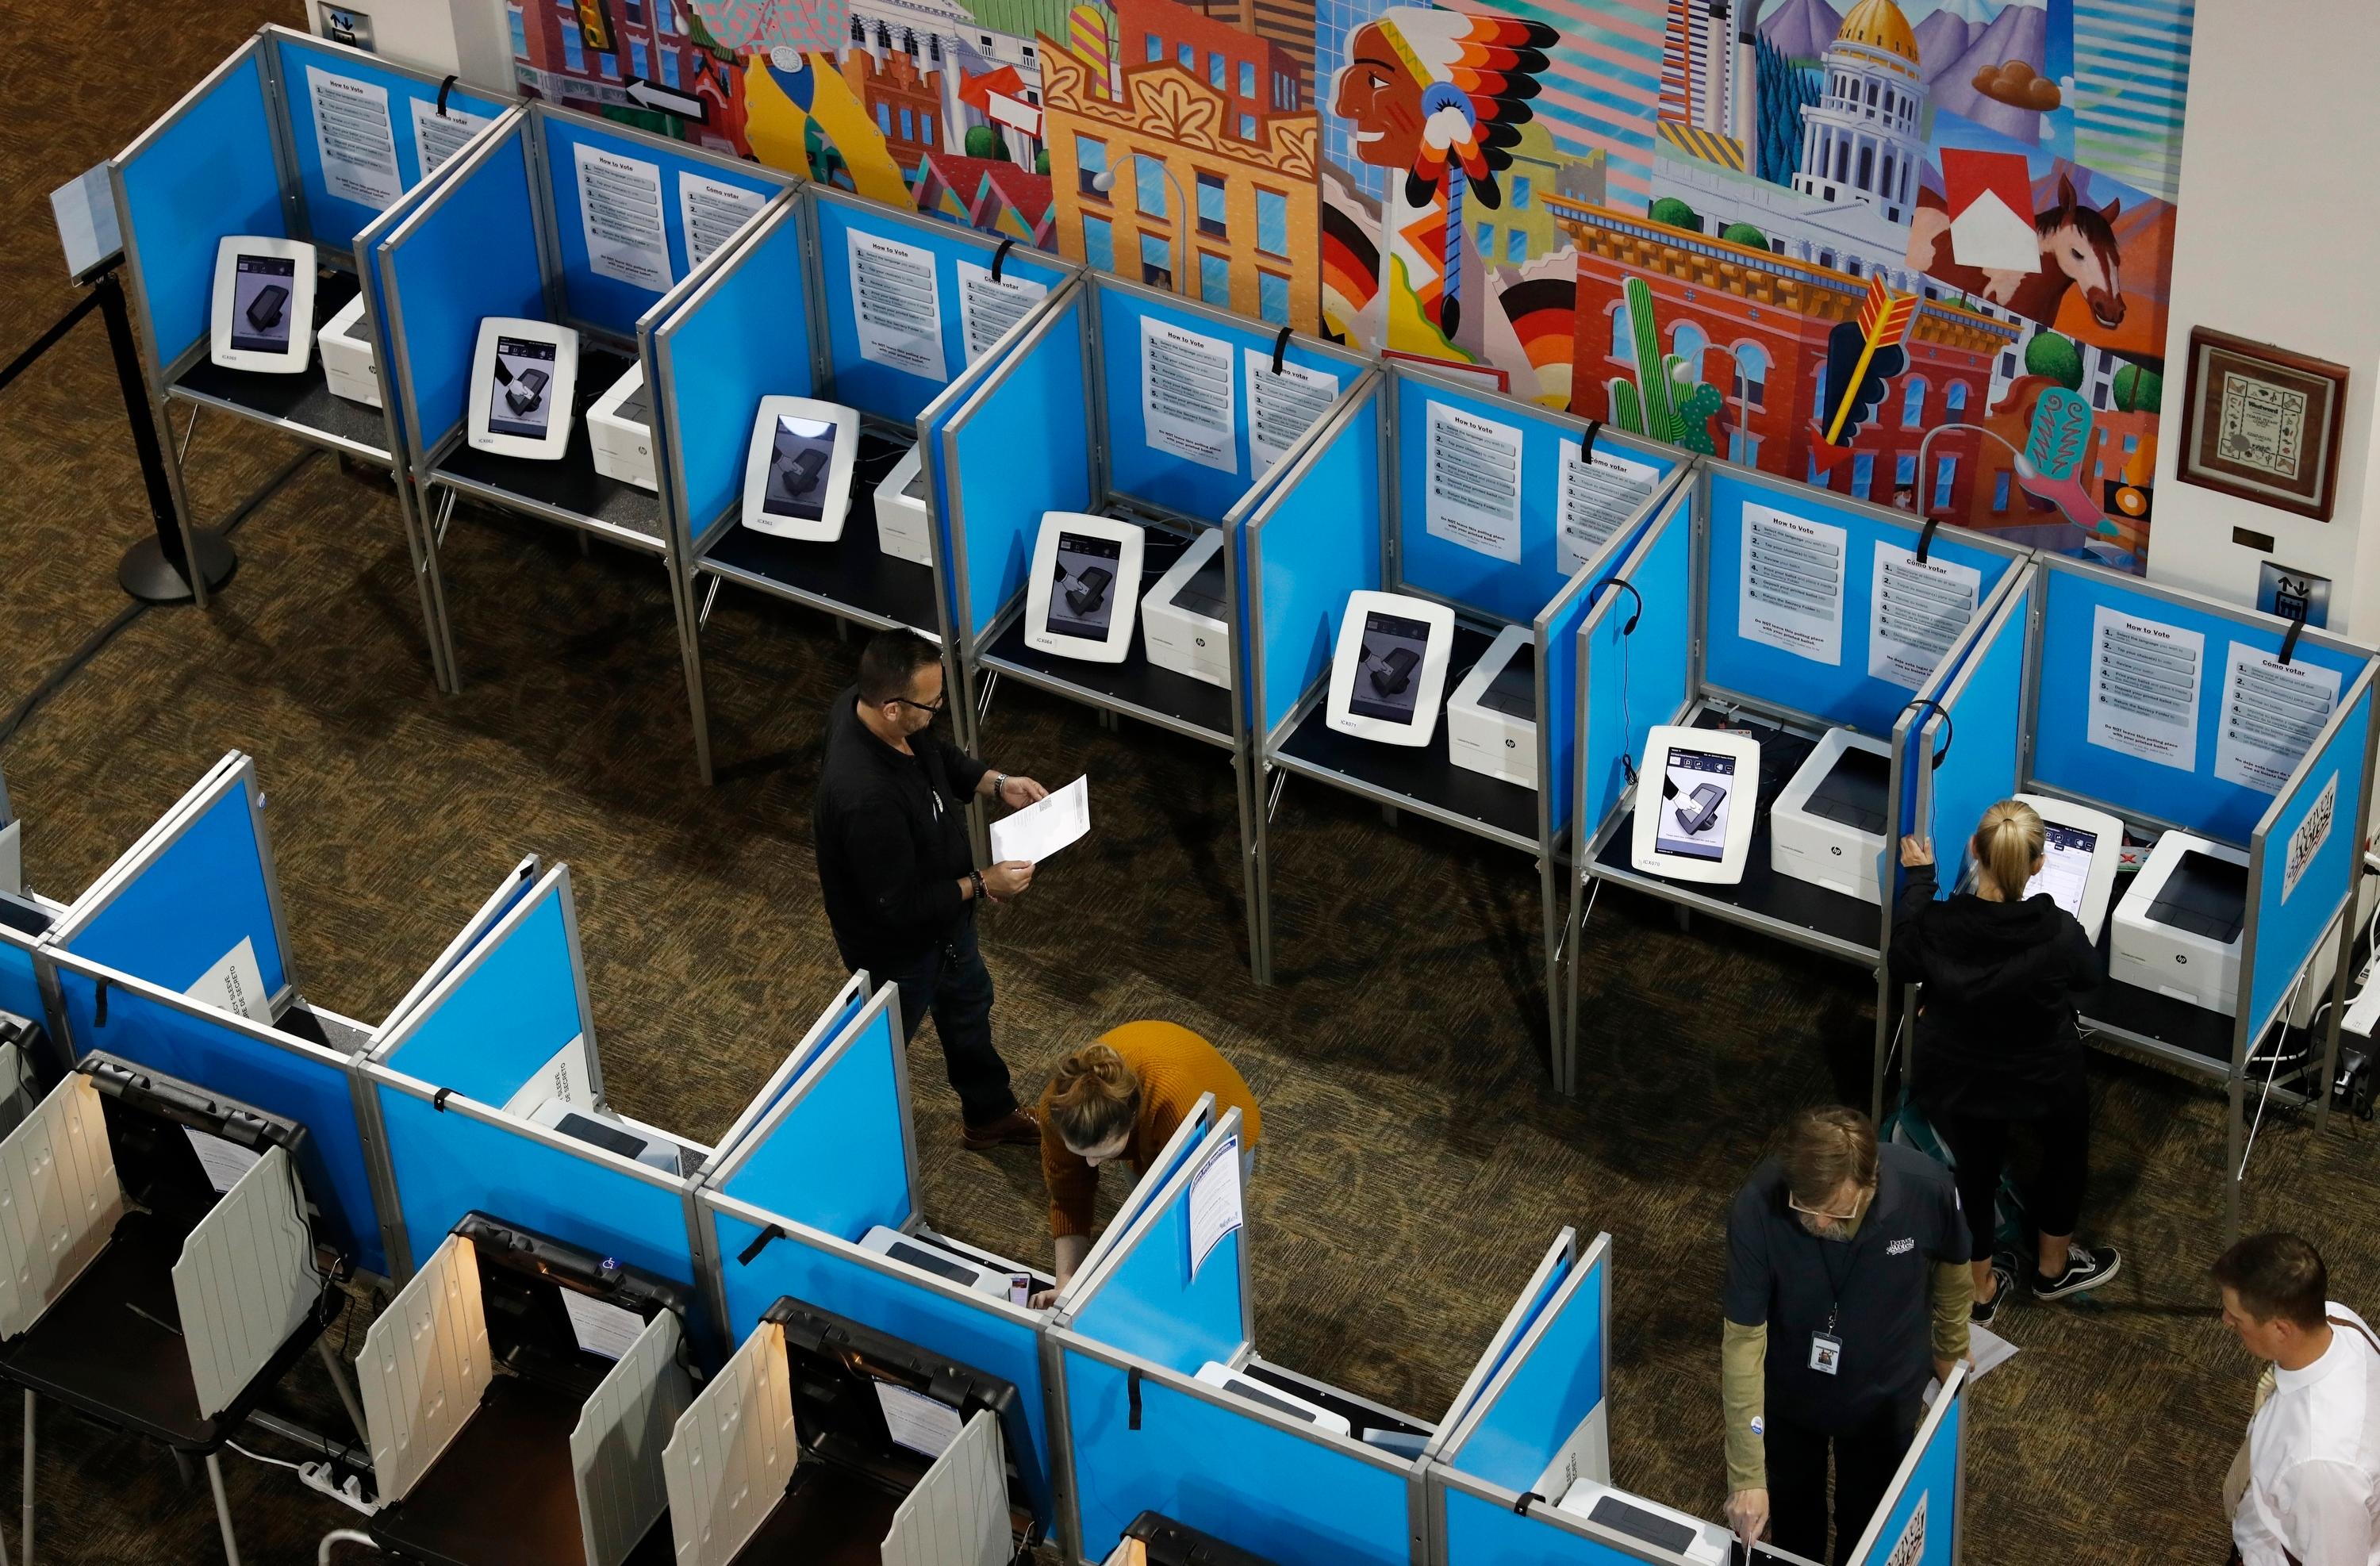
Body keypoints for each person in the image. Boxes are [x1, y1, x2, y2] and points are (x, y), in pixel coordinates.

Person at [815, 630, 1046, 1150]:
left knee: (969, 1006)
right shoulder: (865, 798)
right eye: (932, 702)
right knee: (879, 1048)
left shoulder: (871, 709)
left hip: (946, 924)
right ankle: (838, 1145)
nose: (939, 709)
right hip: (899, 951)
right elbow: (898, 908)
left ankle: (989, 1115)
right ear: (893, 707)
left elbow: (934, 754)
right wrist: (984, 883)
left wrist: (995, 781)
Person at [1891, 800, 2121, 1320]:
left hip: (1959, 1071)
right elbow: (2090, 981)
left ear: (1974, 850)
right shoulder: (2059, 931)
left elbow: (1902, 960)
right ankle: (2052, 1270)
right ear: (2038, 866)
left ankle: (1980, 1289)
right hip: (2041, 1073)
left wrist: (1921, 882)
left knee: (1975, 1168)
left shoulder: (1939, 925)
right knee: (2066, 1148)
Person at [1722, 1105, 1970, 1564]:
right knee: (1793, 1527)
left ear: (1870, 1182)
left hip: (1884, 1397)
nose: (1818, 1223)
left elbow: (1955, 1269)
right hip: (1791, 1394)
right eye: (1805, 1208)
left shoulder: (1927, 1188)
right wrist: (1746, 1476)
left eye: (1836, 1211)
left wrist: (1951, 1348)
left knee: (1870, 1527)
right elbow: (1743, 1343)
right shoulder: (1758, 1204)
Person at [1034, 1021, 1261, 1304]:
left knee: (1196, 1232)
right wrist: (1066, 1285)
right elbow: (1069, 1195)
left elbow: (1194, 1207)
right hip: (1152, 1128)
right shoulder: (1056, 1107)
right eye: (1082, 1153)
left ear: (1131, 1122)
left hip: (1220, 1125)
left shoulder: (1173, 1102)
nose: (1091, 1165)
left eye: (1103, 1153)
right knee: (1151, 1218)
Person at [2217, 1232, 2380, 1566]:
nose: (2226, 1321)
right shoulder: (2337, 1320)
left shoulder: (2318, 1464)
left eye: (2238, 1318)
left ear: (2281, 1329)